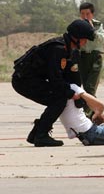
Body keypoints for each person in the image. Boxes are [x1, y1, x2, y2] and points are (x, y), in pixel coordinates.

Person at [12, 19, 95, 147]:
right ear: (76, 37)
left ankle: (36, 134)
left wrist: (79, 97)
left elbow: (72, 77)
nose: (85, 42)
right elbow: (55, 79)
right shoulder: (58, 49)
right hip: (23, 80)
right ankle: (41, 135)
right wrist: (70, 93)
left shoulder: (69, 50)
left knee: (60, 97)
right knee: (59, 99)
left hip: (33, 79)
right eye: (84, 39)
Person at [78, 2, 104, 119]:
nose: (85, 16)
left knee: (90, 87)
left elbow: (101, 39)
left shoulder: (97, 25)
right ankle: (94, 111)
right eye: (82, 14)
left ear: (92, 14)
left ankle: (88, 113)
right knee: (85, 87)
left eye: (87, 14)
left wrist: (91, 30)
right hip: (82, 57)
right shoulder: (77, 25)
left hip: (95, 57)